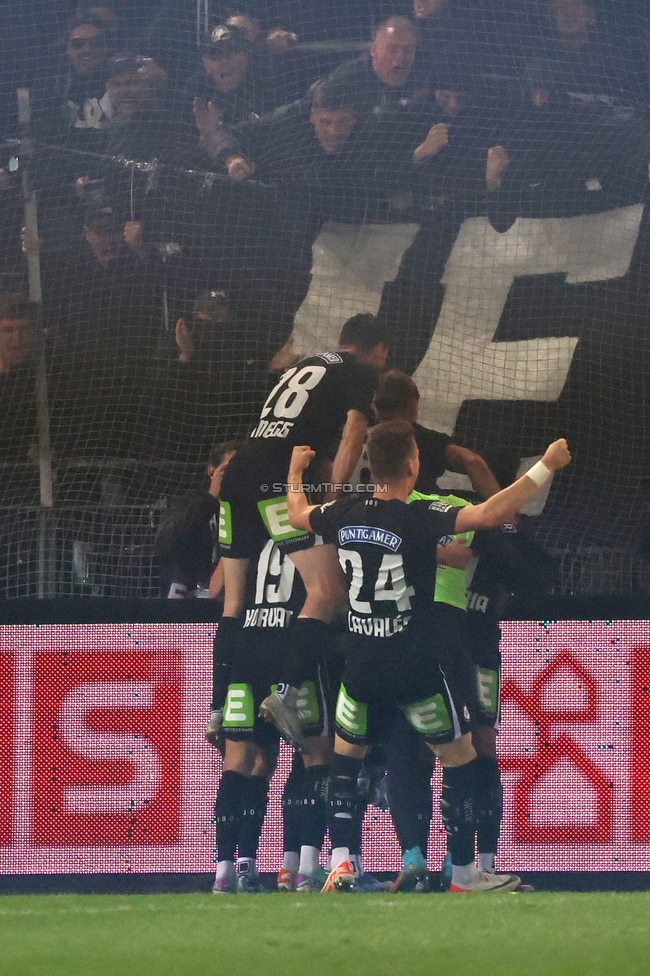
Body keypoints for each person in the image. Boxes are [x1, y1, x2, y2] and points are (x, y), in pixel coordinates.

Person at [285, 419, 571, 892]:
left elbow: (297, 515)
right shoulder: (422, 517)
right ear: (414, 465)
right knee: (459, 758)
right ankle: (463, 875)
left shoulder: (346, 510)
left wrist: (296, 472)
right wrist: (545, 465)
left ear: (369, 466)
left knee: (346, 760)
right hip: (413, 664)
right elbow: (490, 513)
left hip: (360, 664)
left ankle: (340, 864)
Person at [216, 313, 388, 752]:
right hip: (278, 478)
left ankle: (220, 709)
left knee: (234, 601)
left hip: (240, 471)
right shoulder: (362, 372)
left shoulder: (306, 364)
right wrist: (332, 494)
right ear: (378, 351)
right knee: (327, 590)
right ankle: (287, 694)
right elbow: (354, 430)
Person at [369, 369, 501, 498]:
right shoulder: (425, 438)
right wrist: (505, 515)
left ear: (376, 407)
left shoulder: (358, 436)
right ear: (413, 403)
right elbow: (472, 461)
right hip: (420, 511)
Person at [154, 441, 237, 599]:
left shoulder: (245, 507)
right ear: (212, 470)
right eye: (228, 469)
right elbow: (164, 543)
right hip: (186, 594)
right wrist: (211, 498)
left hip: (227, 595)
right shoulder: (188, 502)